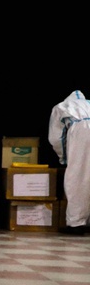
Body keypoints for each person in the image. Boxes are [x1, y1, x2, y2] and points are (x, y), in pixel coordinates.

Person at [48, 89, 90, 234]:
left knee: (78, 178)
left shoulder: (61, 107)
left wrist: (64, 157)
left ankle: (76, 224)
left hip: (82, 131)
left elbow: (56, 138)